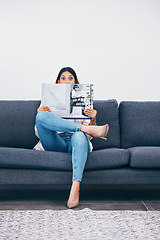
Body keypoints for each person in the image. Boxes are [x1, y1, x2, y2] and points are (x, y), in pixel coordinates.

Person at [34, 67, 109, 209]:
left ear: (75, 81)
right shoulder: (46, 102)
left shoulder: (84, 100)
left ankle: (75, 187)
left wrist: (93, 120)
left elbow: (88, 138)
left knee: (80, 135)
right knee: (41, 116)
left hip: (77, 142)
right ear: (58, 81)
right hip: (56, 141)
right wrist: (39, 115)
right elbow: (39, 133)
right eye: (63, 78)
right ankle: (82, 127)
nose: (67, 80)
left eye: (70, 78)